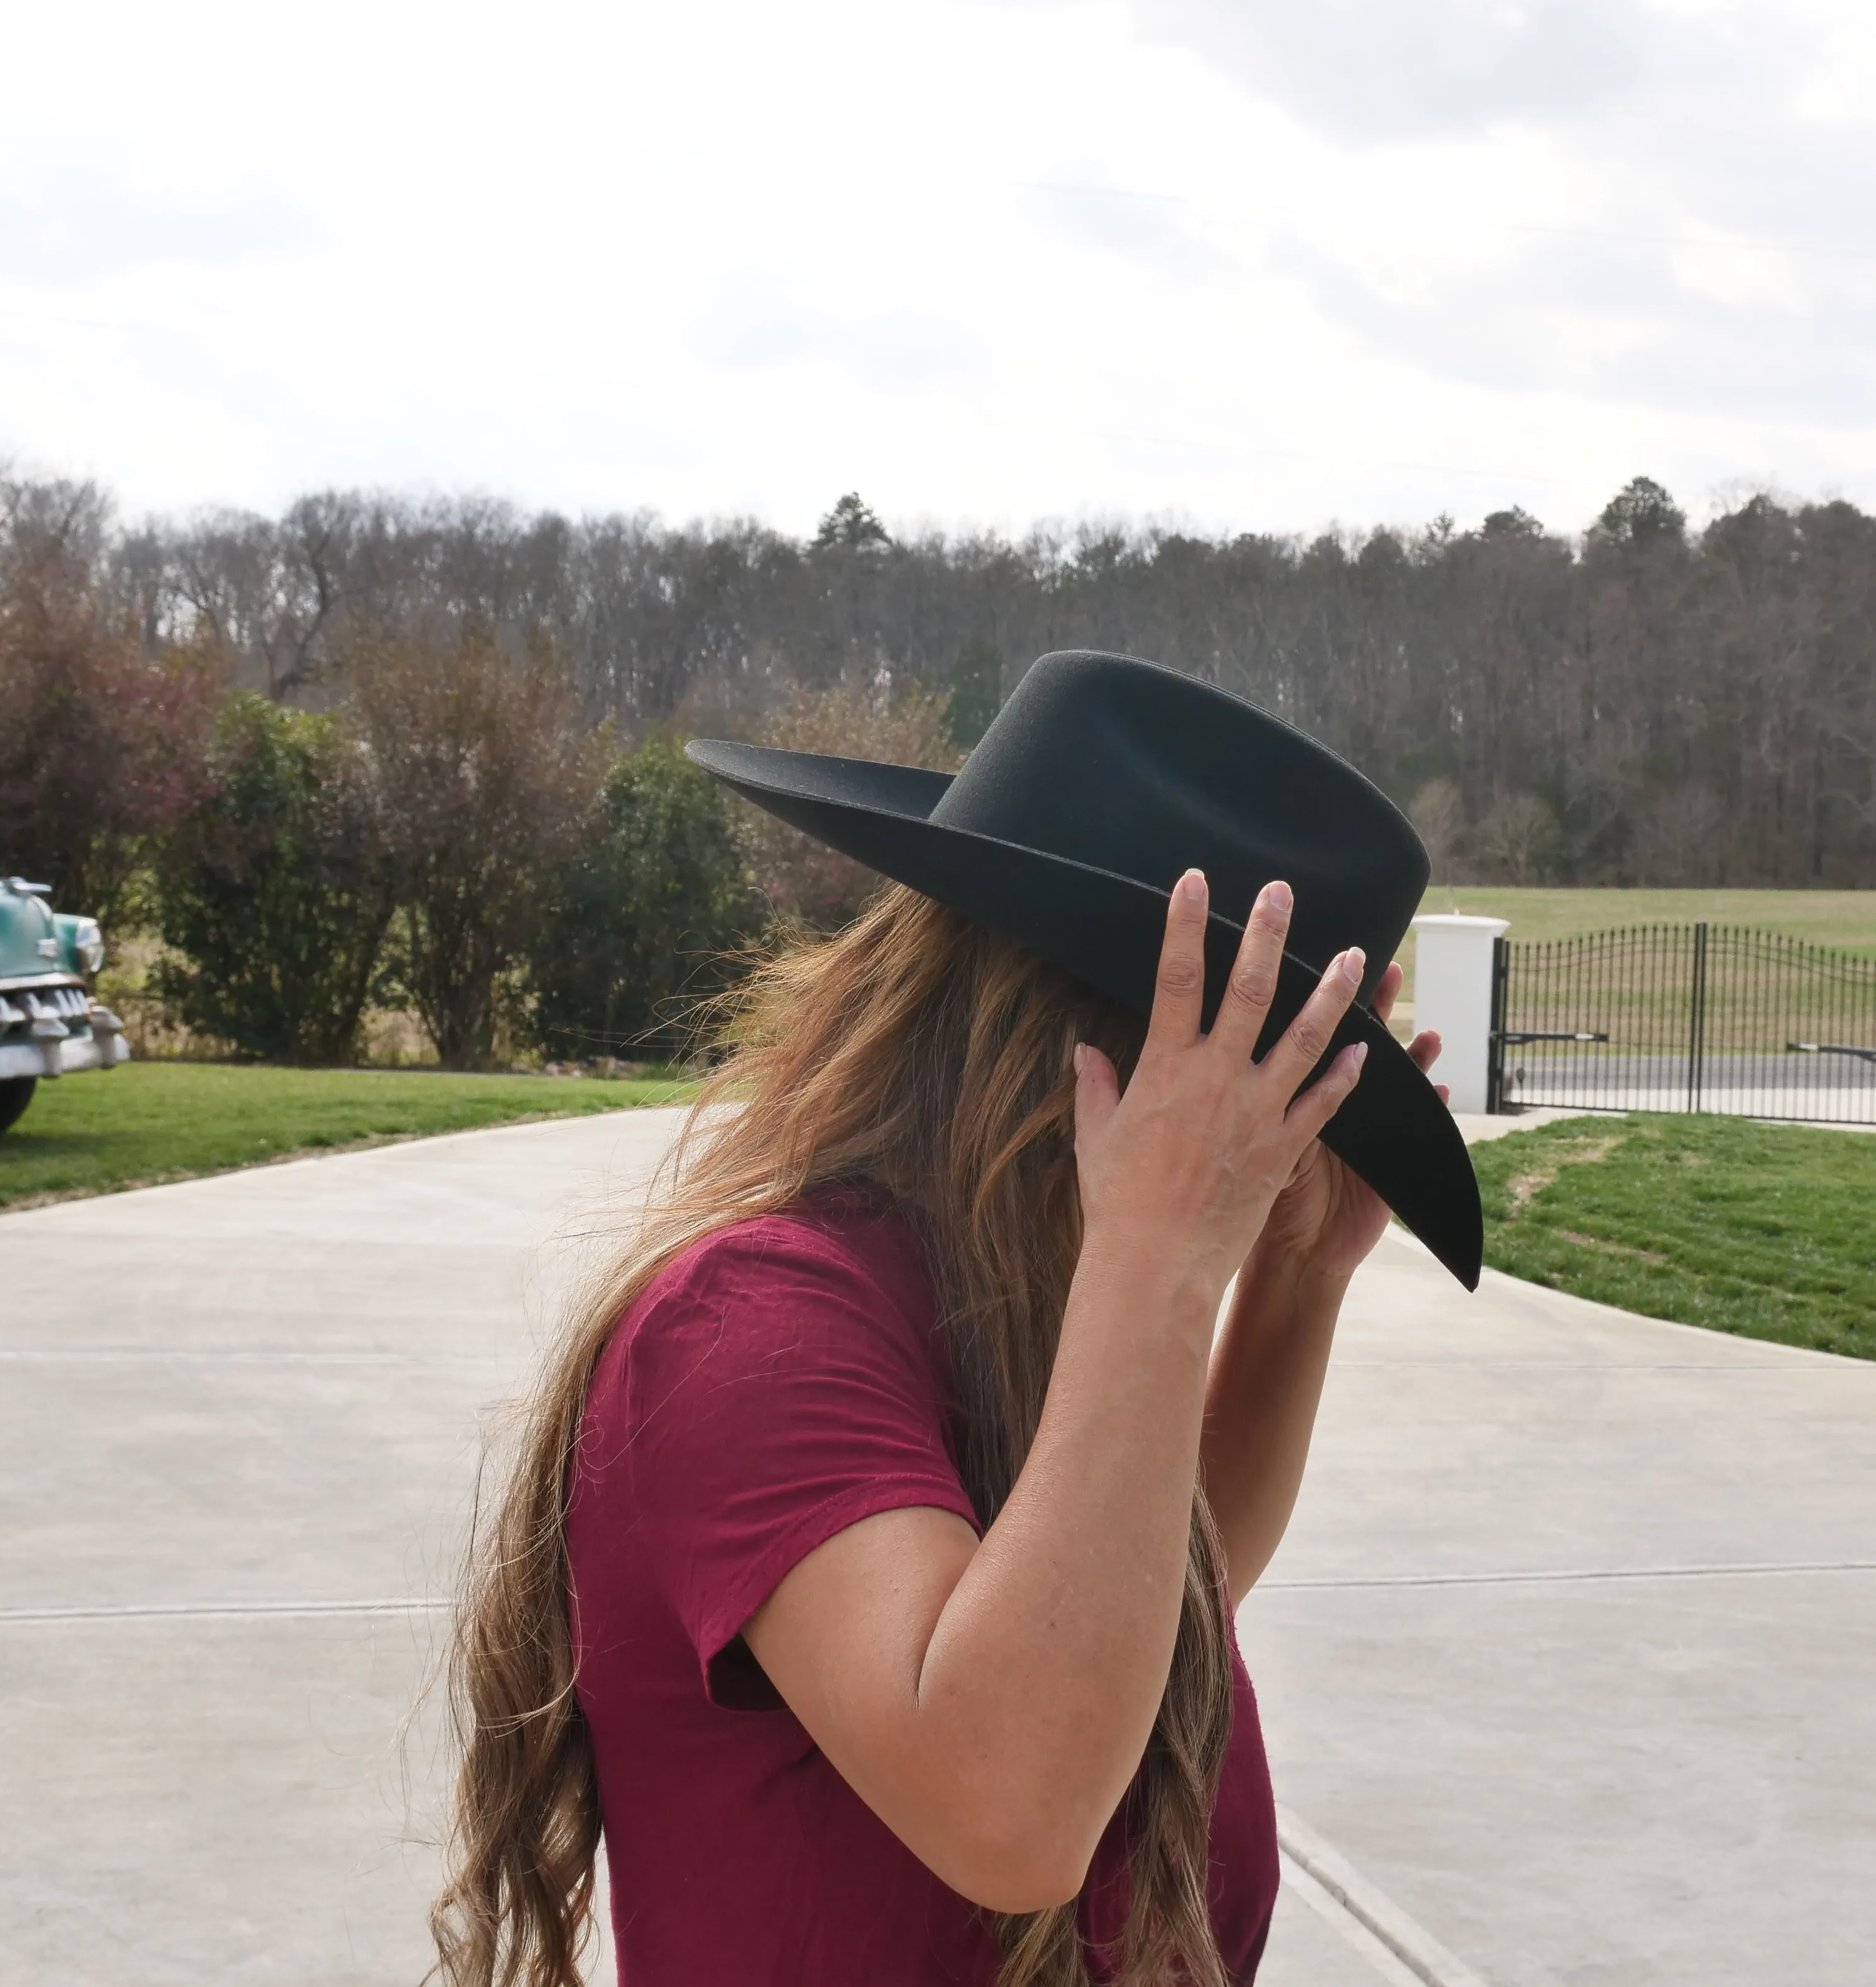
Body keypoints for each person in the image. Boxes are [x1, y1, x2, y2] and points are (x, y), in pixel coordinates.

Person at [429, 651, 1482, 1987]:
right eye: (1257, 1078)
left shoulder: (1039, 1286)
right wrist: (1160, 1262)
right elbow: (1012, 1807)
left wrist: (1299, 1277)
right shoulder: (754, 1324)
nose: (1267, 1136)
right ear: (1099, 1045)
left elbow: (1151, 1588)